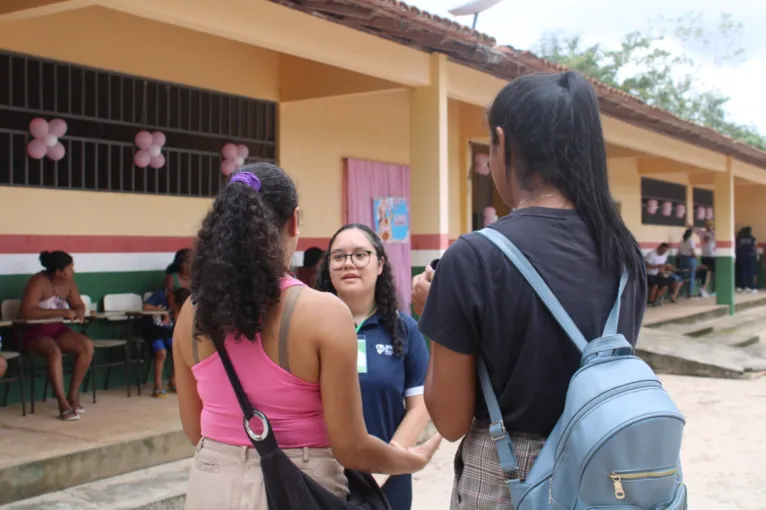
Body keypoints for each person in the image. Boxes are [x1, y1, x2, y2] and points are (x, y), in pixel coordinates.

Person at [411, 71, 647, 509]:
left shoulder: (475, 256)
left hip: (508, 479)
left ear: (502, 143)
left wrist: (433, 316)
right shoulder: (624, 254)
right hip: (604, 474)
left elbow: (449, 418)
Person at [172, 164, 441, 510]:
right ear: (294, 221)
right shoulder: (323, 314)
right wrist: (410, 460)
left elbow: (195, 430)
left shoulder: (191, 314)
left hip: (210, 484)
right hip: (300, 483)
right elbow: (351, 447)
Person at [316, 224, 432, 510]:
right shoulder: (309, 328)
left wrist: (382, 467)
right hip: (320, 479)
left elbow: (420, 407)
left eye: (360, 255)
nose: (349, 264)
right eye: (339, 257)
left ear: (380, 264)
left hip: (387, 482)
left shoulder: (405, 331)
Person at [19, 251, 95, 421]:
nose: (73, 271)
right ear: (58, 272)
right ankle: (62, 403)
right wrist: (62, 311)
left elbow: (77, 304)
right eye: (70, 268)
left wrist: (79, 312)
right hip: (34, 331)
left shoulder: (69, 282)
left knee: (86, 345)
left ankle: (72, 395)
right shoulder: (38, 282)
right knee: (54, 352)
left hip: (57, 330)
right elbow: (26, 311)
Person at [142, 287, 191, 397]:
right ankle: (157, 387)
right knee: (161, 353)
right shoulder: (160, 294)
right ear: (172, 297)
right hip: (152, 330)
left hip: (167, 332)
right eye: (175, 305)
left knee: (178, 349)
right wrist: (163, 312)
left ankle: (173, 382)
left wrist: (177, 314)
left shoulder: (179, 307)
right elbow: (145, 307)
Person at [677, 228, 700, 298]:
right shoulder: (690, 241)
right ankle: (689, 293)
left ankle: (679, 292)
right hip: (690, 259)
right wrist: (697, 258)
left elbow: (679, 253)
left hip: (682, 260)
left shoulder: (681, 242)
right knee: (691, 276)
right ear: (691, 234)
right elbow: (693, 252)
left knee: (682, 277)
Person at [695, 220, 716, 295]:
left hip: (713, 256)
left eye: (710, 225)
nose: (708, 226)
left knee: (713, 273)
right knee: (706, 272)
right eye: (707, 225)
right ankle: (703, 289)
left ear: (712, 226)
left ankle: (713, 290)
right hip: (705, 257)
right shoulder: (702, 233)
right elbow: (694, 229)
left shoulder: (714, 234)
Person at [736, 226, 758, 294]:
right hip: (751, 256)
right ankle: (752, 288)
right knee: (751, 272)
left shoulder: (740, 238)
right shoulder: (753, 238)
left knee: (744, 272)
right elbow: (755, 247)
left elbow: (739, 247)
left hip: (742, 257)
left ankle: (744, 287)